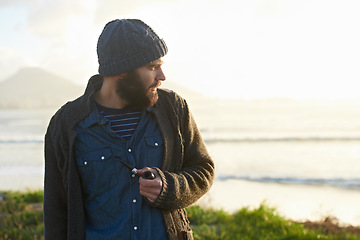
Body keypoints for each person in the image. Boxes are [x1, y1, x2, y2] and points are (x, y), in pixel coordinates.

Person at [44, 19, 215, 240]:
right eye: (153, 67)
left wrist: (169, 187)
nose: (162, 76)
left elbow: (204, 169)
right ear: (122, 71)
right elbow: (56, 210)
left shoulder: (173, 109)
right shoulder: (66, 125)